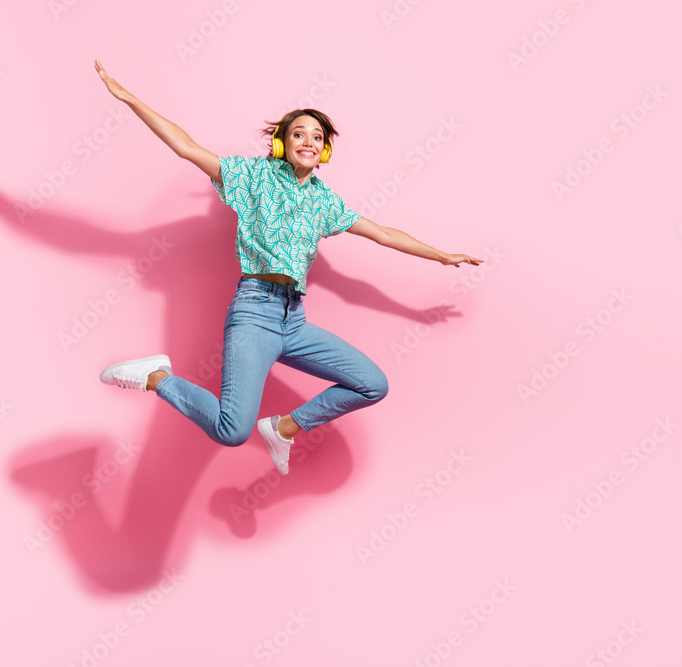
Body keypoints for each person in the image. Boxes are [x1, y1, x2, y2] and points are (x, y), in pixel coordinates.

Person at [93, 59, 483, 475]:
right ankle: (156, 377)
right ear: (281, 142)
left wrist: (442, 255)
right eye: (299, 133)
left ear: (326, 150)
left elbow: (383, 233)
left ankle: (284, 428)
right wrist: (129, 98)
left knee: (373, 384)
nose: (309, 141)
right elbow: (188, 148)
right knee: (231, 431)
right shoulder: (253, 177)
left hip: (293, 319)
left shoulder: (326, 201)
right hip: (254, 312)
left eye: (317, 137)